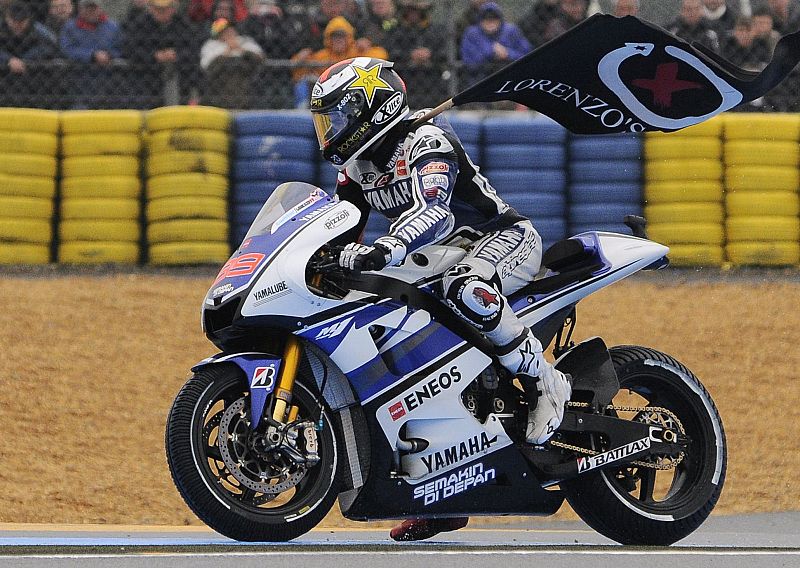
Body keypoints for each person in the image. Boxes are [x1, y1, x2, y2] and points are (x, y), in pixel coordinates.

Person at [308, 57, 572, 541]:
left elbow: (437, 213)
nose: (331, 130)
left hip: (498, 239)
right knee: (384, 326)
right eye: (326, 120)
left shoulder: (426, 141)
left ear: (373, 106)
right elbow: (339, 224)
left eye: (339, 117)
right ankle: (438, 490)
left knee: (465, 290)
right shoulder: (356, 168)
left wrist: (385, 248)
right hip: (438, 254)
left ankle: (544, 381)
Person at [291, 16, 387, 107]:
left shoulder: (356, 51)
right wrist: (299, 58)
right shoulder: (323, 55)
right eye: (335, 36)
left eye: (342, 36)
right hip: (328, 95)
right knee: (302, 85)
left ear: (349, 37)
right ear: (329, 38)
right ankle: (302, 112)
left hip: (354, 93)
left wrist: (367, 48)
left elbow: (381, 55)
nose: (338, 40)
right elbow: (298, 74)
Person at [122, 0, 201, 107]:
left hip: (180, 79)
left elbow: (193, 49)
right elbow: (130, 50)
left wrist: (176, 54)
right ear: (150, 8)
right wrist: (154, 56)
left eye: (166, 9)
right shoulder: (140, 25)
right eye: (158, 9)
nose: (162, 12)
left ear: (173, 8)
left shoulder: (183, 24)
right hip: (146, 79)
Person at [60, 0, 121, 108]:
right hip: (78, 82)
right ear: (80, 9)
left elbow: (121, 48)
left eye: (94, 8)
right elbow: (66, 50)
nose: (91, 11)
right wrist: (92, 55)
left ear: (100, 8)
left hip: (108, 82)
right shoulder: (70, 27)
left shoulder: (113, 26)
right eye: (87, 8)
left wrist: (110, 55)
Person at [383, 0, 444, 108]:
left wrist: (429, 55)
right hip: (405, 77)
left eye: (416, 11)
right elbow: (391, 54)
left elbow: (443, 54)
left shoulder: (435, 30)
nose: (413, 14)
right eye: (410, 10)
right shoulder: (396, 31)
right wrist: (410, 55)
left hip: (432, 78)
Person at [0, 1, 58, 107]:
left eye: (22, 21)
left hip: (33, 77)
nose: (18, 24)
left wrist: (24, 60)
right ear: (7, 17)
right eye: (14, 20)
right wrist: (9, 59)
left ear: (28, 18)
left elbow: (51, 47)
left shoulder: (39, 30)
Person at [460, 2, 531, 84]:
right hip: (480, 81)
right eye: (486, 19)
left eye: (494, 18)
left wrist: (508, 53)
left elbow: (528, 54)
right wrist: (492, 52)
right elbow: (469, 63)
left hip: (510, 79)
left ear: (500, 19)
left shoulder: (511, 31)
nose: (490, 22)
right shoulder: (472, 34)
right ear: (480, 20)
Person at [200, 17, 264, 108]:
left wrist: (241, 50)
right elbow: (208, 68)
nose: (228, 33)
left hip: (245, 89)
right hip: (218, 91)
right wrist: (227, 52)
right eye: (225, 32)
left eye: (230, 30)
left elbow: (260, 58)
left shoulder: (245, 41)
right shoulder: (210, 45)